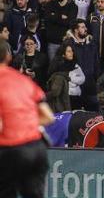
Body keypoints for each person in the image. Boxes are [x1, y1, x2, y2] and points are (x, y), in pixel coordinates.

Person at [0, 39, 55, 198]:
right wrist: (22, 123)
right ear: (8, 57)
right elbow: (48, 116)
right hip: (35, 148)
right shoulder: (24, 80)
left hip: (8, 150)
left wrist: (12, 125)